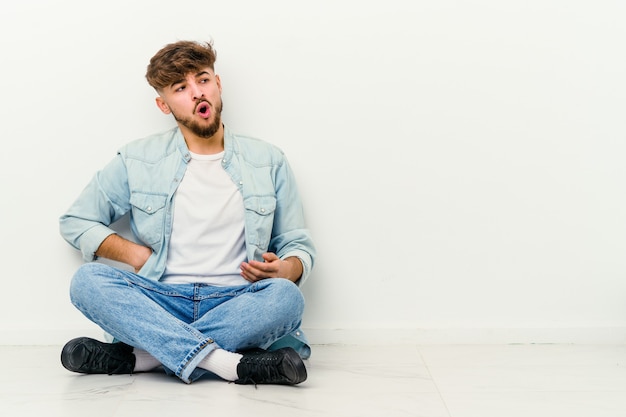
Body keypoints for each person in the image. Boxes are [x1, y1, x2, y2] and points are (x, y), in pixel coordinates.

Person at [58, 40, 316, 385]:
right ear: (163, 105)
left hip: (237, 301)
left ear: (218, 84)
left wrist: (285, 268)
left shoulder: (268, 160)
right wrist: (132, 253)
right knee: (87, 281)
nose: (197, 93)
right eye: (181, 88)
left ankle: (145, 358)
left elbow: (297, 244)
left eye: (203, 80)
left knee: (286, 297)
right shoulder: (136, 159)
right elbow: (75, 220)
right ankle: (232, 365)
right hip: (162, 299)